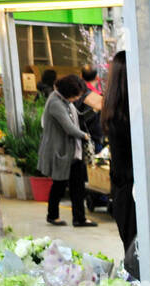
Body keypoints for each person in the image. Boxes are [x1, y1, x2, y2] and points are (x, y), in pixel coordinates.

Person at [39, 74, 96, 227]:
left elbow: (78, 118)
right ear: (67, 92)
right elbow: (69, 127)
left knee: (77, 186)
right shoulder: (55, 102)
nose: (77, 98)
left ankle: (79, 218)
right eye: (75, 95)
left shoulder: (64, 101)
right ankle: (52, 215)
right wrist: (84, 136)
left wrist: (95, 111)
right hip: (61, 151)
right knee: (59, 184)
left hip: (72, 151)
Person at [102, 51, 136, 258]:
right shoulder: (129, 115)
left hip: (123, 192)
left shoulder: (113, 109)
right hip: (131, 194)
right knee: (139, 256)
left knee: (134, 252)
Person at [76, 65, 104, 153]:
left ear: (80, 76)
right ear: (97, 77)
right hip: (92, 140)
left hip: (78, 139)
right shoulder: (95, 97)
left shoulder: (75, 93)